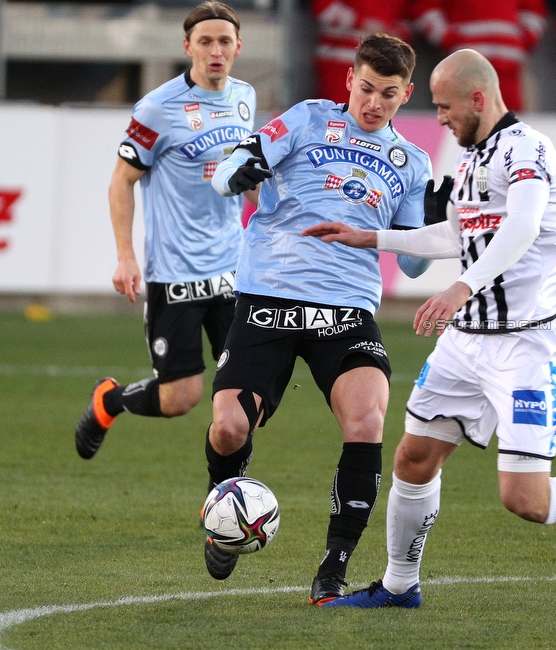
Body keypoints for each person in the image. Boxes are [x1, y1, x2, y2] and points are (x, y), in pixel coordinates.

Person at [302, 48, 556, 608]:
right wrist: (371, 238)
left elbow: (524, 225)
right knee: (413, 458)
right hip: (467, 343)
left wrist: (461, 287)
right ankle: (400, 586)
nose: (439, 118)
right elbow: (450, 238)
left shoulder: (528, 150)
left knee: (525, 499)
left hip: (529, 343)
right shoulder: (470, 161)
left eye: (444, 106)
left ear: (478, 99)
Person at [207, 33, 436, 603]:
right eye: (365, 88)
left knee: (367, 423)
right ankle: (224, 507)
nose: (374, 103)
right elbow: (231, 166)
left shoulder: (413, 163)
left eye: (387, 93)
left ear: (406, 94)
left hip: (347, 309)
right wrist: (238, 169)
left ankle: (333, 567)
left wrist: (434, 223)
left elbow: (410, 265)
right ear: (349, 81)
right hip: (269, 298)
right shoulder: (308, 119)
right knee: (230, 426)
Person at [74, 1, 256, 461]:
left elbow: (243, 182)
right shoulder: (157, 107)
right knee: (182, 398)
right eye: (205, 42)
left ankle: (224, 498)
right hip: (175, 273)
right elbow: (122, 180)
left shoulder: (245, 98)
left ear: (238, 46)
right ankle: (109, 401)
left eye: (224, 41)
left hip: (233, 271)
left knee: (246, 395)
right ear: (187, 47)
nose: (216, 51)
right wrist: (125, 256)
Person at [412, 0, 547, 112]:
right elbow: (426, 11)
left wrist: (523, 40)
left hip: (509, 68)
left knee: (511, 125)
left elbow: (535, 11)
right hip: (465, 70)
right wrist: (450, 39)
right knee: (467, 122)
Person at [311, 0, 412, 102]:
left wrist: (395, 31)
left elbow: (409, 18)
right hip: (339, 59)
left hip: (384, 63)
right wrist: (361, 22)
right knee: (338, 109)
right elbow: (323, 8)